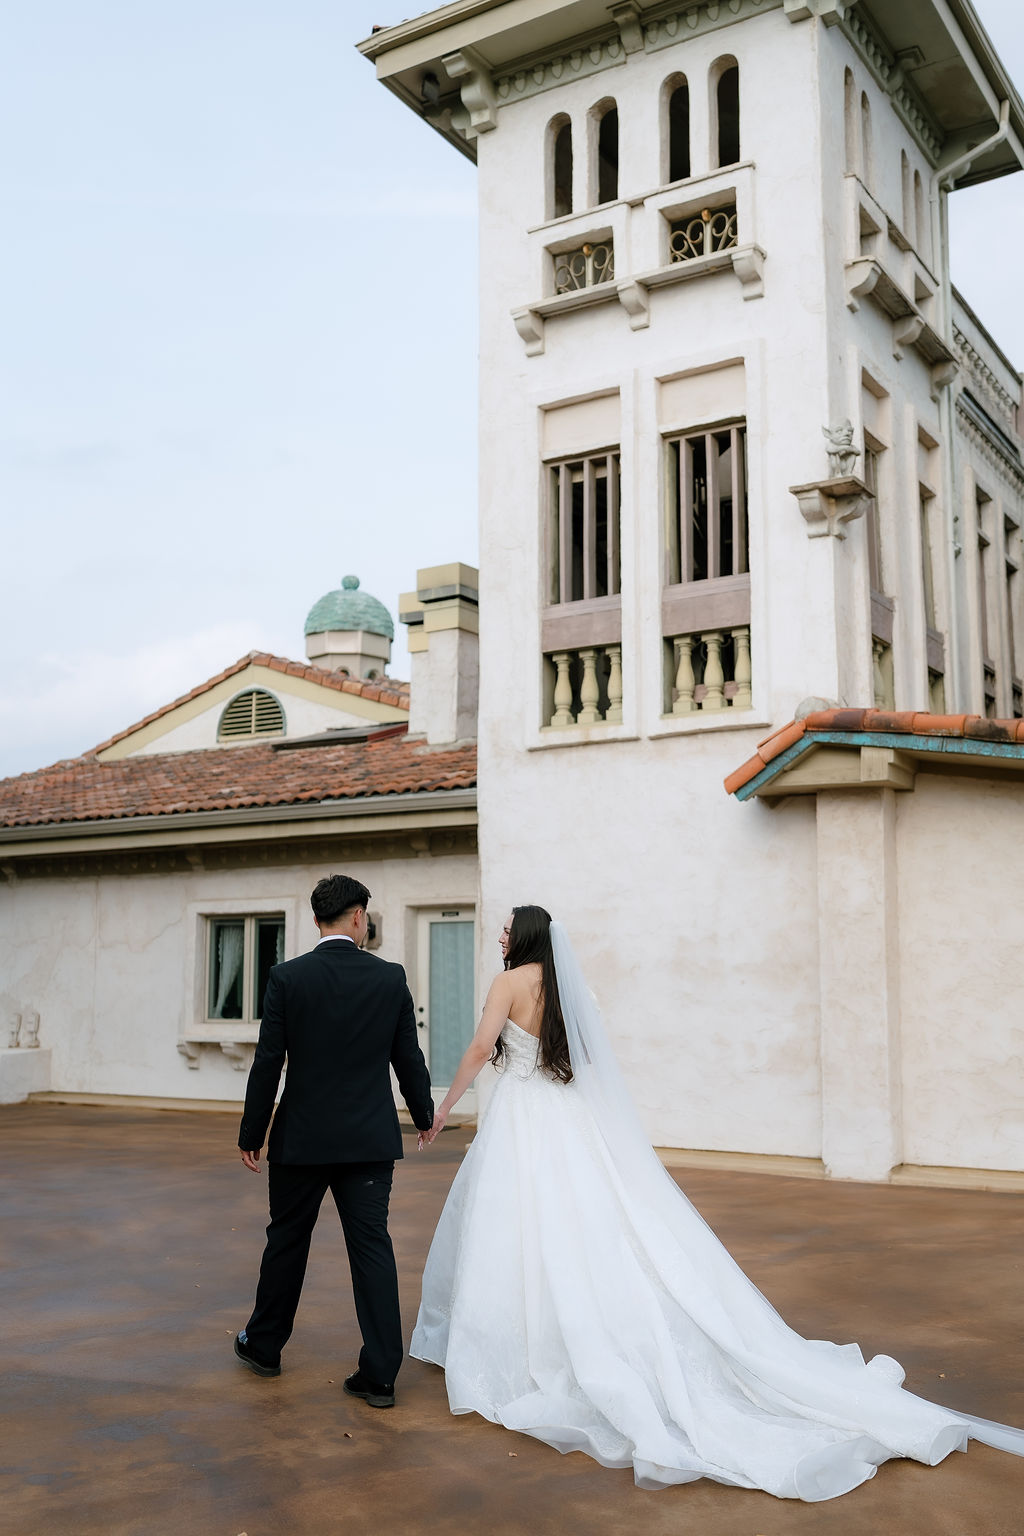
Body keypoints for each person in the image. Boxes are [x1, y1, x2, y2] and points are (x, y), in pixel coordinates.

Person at [412, 905, 1024, 1502]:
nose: (499, 937)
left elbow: (477, 1048)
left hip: (524, 1119)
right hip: (569, 1119)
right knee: (594, 1225)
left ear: (523, 935)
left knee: (521, 1228)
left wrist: (444, 1109)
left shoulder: (509, 982)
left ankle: (528, 1345)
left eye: (505, 929)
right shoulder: (568, 988)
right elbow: (589, 1060)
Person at [234, 874, 433, 1408]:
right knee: (372, 1247)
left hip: (301, 1140)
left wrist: (252, 1133)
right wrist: (424, 1114)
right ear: (358, 917)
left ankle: (265, 1348)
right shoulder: (389, 978)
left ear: (318, 919)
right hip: (368, 1141)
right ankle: (380, 1374)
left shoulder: (286, 978)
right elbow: (406, 1059)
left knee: (287, 1241)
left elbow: (267, 1063)